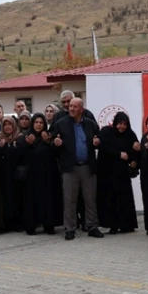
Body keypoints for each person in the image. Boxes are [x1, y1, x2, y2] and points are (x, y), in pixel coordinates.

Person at [52, 97, 103, 240]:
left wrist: (97, 142)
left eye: (75, 107)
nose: (71, 109)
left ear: (82, 109)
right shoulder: (61, 124)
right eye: (70, 106)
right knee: (69, 199)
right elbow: (52, 143)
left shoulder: (91, 124)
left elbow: (99, 139)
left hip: (87, 167)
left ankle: (92, 226)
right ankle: (70, 229)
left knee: (90, 199)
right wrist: (56, 143)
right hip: (70, 168)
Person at [97, 112, 140, 234]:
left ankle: (127, 225)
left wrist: (134, 160)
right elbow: (103, 147)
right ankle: (113, 225)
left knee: (124, 199)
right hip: (107, 172)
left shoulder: (130, 134)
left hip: (122, 173)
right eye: (120, 123)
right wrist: (118, 154)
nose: (122, 127)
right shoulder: (106, 132)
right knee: (111, 199)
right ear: (115, 123)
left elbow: (134, 151)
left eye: (125, 124)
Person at [19, 113, 60, 235]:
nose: (38, 125)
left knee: (48, 200)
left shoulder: (48, 137)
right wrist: (27, 145)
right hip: (31, 176)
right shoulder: (27, 137)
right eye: (36, 122)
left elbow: (56, 153)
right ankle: (31, 226)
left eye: (41, 123)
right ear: (32, 124)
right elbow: (20, 156)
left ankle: (49, 224)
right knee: (31, 201)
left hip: (47, 175)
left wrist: (48, 141)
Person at [0, 115, 25, 233]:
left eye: (10, 124)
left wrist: (13, 148)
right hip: (3, 175)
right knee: (4, 198)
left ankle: (17, 222)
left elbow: (21, 155)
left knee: (17, 198)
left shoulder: (20, 137)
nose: (8, 127)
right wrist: (1, 148)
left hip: (16, 175)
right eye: (5, 125)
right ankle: (6, 223)